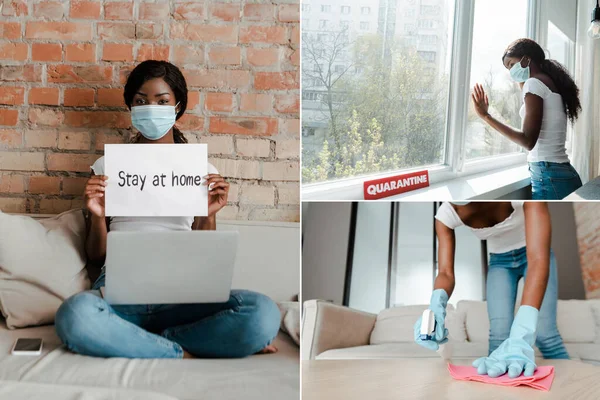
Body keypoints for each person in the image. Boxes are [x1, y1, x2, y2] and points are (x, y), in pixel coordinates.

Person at [55, 60, 281, 359]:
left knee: (262, 313)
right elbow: (97, 257)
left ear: (177, 107)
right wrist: (97, 216)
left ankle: (140, 342)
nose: (151, 108)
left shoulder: (200, 169)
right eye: (141, 101)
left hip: (182, 294)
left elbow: (204, 254)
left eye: (162, 101)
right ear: (131, 108)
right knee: (75, 315)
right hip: (121, 292)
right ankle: (179, 350)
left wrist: (208, 213)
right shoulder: (108, 167)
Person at [414, 201, 569, 379]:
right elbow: (445, 273)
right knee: (499, 338)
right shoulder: (446, 214)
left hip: (535, 254)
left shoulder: (522, 193)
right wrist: (436, 304)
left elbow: (536, 259)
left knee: (545, 334)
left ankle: (574, 387)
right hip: (500, 262)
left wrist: (523, 331)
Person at [471, 38, 582, 200]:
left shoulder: (534, 84)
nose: (510, 71)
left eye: (510, 65)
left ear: (526, 59)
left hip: (549, 176)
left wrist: (486, 116)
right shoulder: (548, 82)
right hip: (561, 173)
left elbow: (528, 141)